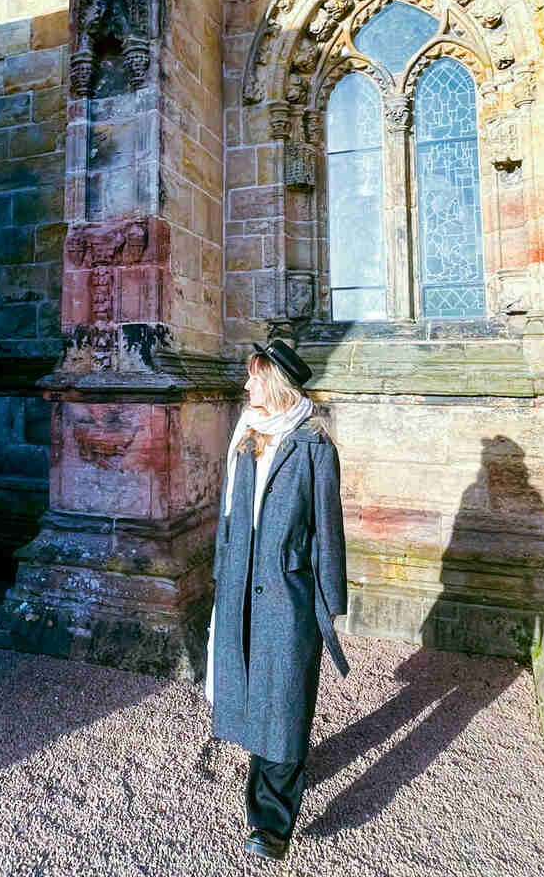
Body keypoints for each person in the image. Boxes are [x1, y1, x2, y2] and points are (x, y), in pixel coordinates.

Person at [206, 339, 351, 861]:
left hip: (289, 597)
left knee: (286, 706)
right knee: (251, 695)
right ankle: (267, 776)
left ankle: (270, 824)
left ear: (275, 385)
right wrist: (222, 581)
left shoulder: (314, 447)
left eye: (253, 378)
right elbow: (227, 521)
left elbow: (327, 532)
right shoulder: (246, 440)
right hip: (242, 587)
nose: (245, 387)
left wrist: (329, 604)